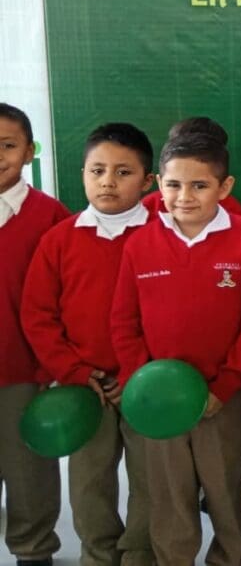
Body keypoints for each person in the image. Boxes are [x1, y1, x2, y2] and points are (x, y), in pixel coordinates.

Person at [110, 133, 241, 566]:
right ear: (159, 183)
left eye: (200, 185)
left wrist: (227, 384)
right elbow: (123, 321)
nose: (184, 196)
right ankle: (173, 558)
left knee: (224, 484)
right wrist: (143, 384)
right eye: (174, 184)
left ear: (225, 187)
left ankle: (230, 555)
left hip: (222, 396)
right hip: (159, 402)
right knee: (169, 490)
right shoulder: (140, 244)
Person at [21, 123, 156, 565]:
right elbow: (38, 315)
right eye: (97, 171)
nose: (108, 182)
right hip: (84, 387)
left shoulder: (163, 236)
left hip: (146, 385)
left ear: (148, 181)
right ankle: (98, 554)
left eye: (123, 172)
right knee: (88, 483)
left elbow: (175, 314)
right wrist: (75, 371)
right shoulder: (59, 240)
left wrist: (138, 373)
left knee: (151, 479)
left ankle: (139, 554)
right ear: (82, 174)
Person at [0, 103, 68, 566]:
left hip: (25, 370)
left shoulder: (52, 218)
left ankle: (32, 548)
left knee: (28, 469)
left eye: (7, 145)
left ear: (29, 152)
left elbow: (69, 299)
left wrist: (55, 365)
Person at [141, 116, 241, 217]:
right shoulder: (151, 204)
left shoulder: (230, 207)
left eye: (200, 186)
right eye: (180, 146)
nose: (185, 197)